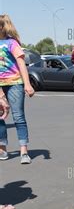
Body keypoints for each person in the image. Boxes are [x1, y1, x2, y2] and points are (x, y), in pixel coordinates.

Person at [0, 14, 35, 164]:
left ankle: (24, 151)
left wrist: (27, 84)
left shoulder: (11, 43)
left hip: (14, 83)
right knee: (0, 116)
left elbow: (22, 64)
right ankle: (2, 148)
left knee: (18, 116)